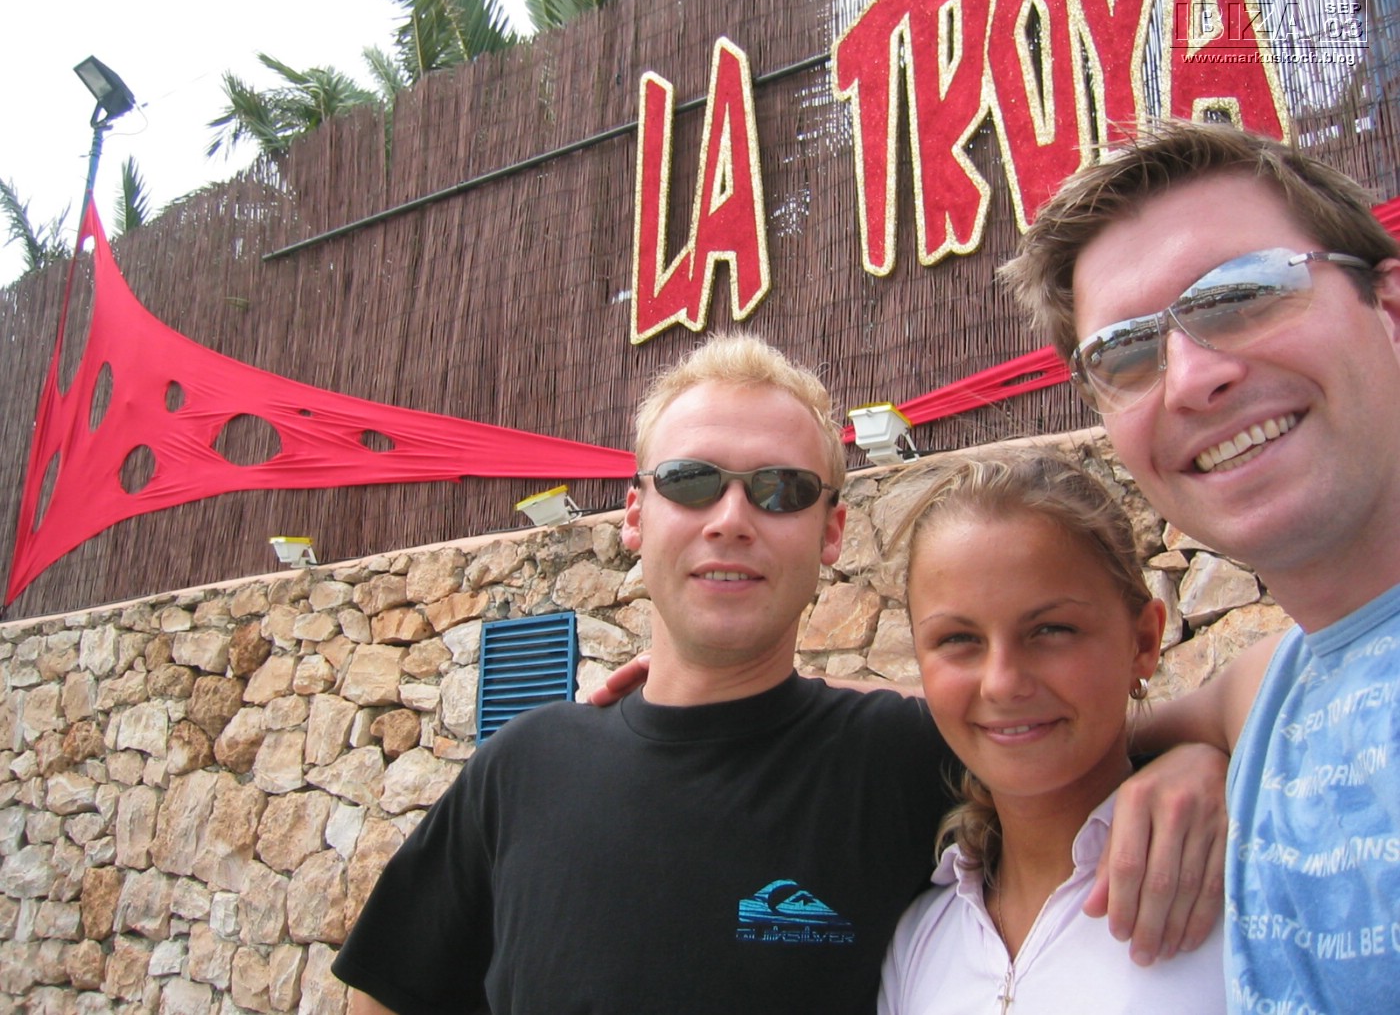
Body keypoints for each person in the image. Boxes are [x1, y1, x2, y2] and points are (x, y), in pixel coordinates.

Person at [334, 334, 1225, 1014]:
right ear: (635, 515)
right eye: (692, 480)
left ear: (830, 531)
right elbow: (390, 993)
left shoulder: (900, 760)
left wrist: (1195, 756)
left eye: (781, 490)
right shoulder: (523, 769)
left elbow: (1050, 738)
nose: (731, 517)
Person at [1000, 119, 1400, 1013]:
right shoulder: (1280, 689)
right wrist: (1190, 757)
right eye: (1126, 352)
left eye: (1244, 293)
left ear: (1389, 311)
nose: (1189, 378)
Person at [878, 449, 1225, 1014]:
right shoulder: (920, 937)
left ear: (1143, 642)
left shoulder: (1239, 884)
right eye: (958, 640)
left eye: (1052, 630)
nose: (1002, 683)